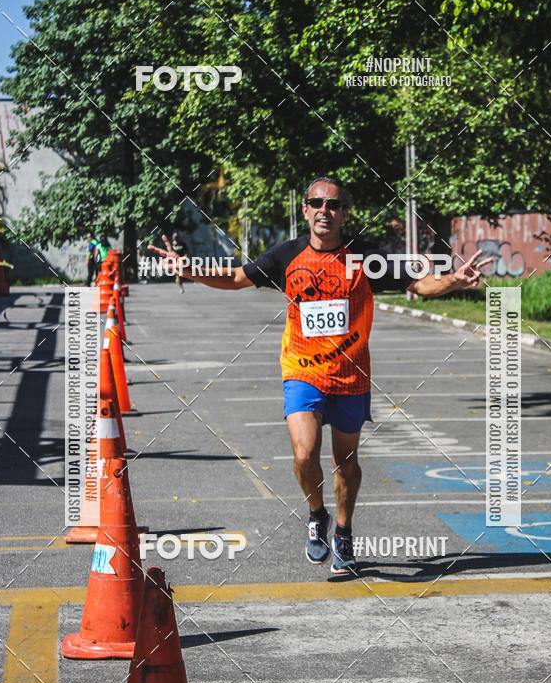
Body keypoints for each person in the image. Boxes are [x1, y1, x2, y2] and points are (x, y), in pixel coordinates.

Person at [149, 176, 490, 576]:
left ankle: (343, 534)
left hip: (350, 376)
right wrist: (189, 269)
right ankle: (317, 515)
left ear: (344, 213)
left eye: (333, 205)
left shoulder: (365, 257)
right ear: (306, 210)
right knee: (304, 454)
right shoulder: (286, 255)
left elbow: (419, 283)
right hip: (301, 371)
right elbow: (237, 278)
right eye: (317, 203)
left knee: (346, 464)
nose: (324, 210)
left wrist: (454, 280)